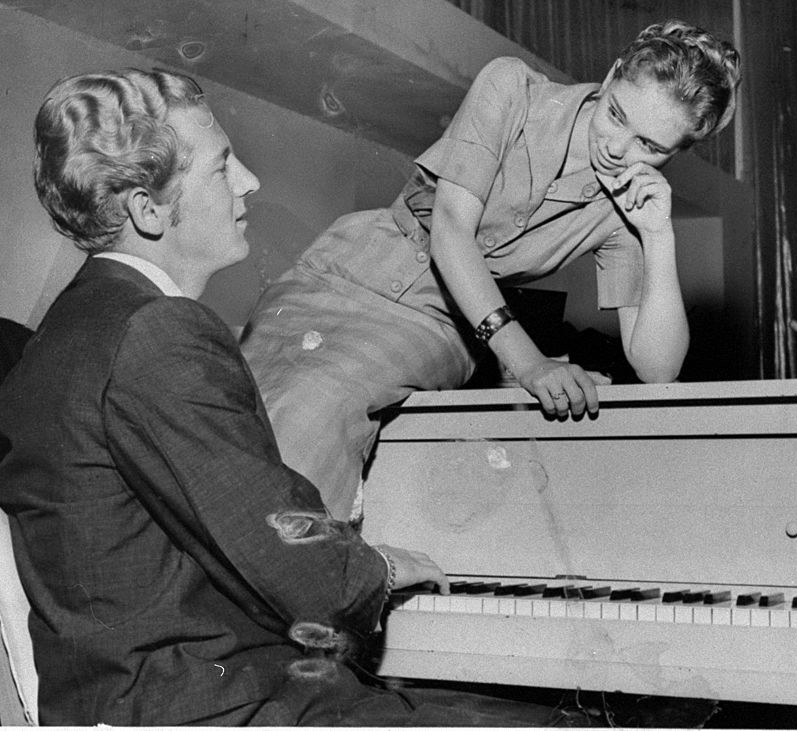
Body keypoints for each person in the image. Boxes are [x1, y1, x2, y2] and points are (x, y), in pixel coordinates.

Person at [0, 68, 563, 726]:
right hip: (192, 702)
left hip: (123, 690)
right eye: (221, 166)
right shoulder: (158, 329)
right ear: (148, 211)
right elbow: (289, 558)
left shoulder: (73, 325)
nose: (249, 182)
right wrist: (378, 568)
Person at [240, 20, 742, 521]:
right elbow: (452, 226)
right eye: (616, 115)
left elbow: (658, 369)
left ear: (677, 151)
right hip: (345, 265)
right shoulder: (513, 89)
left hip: (438, 320)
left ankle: (292, 575)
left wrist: (658, 236)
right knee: (235, 410)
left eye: (650, 146)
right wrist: (530, 363)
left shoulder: (626, 204)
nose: (617, 148)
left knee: (312, 412)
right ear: (611, 75)